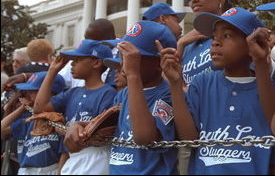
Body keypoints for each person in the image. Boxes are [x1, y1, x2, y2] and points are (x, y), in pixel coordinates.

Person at [157, 7, 275, 175]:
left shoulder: (267, 89)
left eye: (227, 36)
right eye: (214, 37)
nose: (215, 42)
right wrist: (175, 84)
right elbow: (189, 138)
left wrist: (260, 62)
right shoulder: (203, 83)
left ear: (253, 43)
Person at [64, 21, 178, 175]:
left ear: (160, 62)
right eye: (121, 54)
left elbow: (144, 137)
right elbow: (109, 125)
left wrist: (133, 75)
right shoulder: (123, 94)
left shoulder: (168, 94)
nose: (123, 61)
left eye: (132, 56)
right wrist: (78, 125)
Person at [33, 39, 116, 175]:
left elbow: (101, 132)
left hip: (96, 156)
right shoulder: (73, 92)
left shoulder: (108, 92)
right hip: (73, 156)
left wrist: (66, 129)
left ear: (96, 63)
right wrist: (52, 71)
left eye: (78, 59)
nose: (72, 64)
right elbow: (39, 108)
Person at [1, 71, 66, 175]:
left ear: (50, 93)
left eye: (33, 91)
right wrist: (21, 108)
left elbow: (65, 152)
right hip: (26, 170)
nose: (28, 95)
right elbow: (3, 128)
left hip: (50, 169)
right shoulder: (30, 118)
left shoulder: (60, 118)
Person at [176, 0, 232, 85]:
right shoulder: (187, 44)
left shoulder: (236, 33)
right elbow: (171, 87)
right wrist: (180, 45)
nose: (194, 0)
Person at [58, 18, 117, 90]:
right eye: (86, 38)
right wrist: (52, 72)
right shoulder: (81, 53)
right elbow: (58, 80)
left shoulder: (122, 57)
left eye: (92, 40)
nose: (87, 42)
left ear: (109, 38)